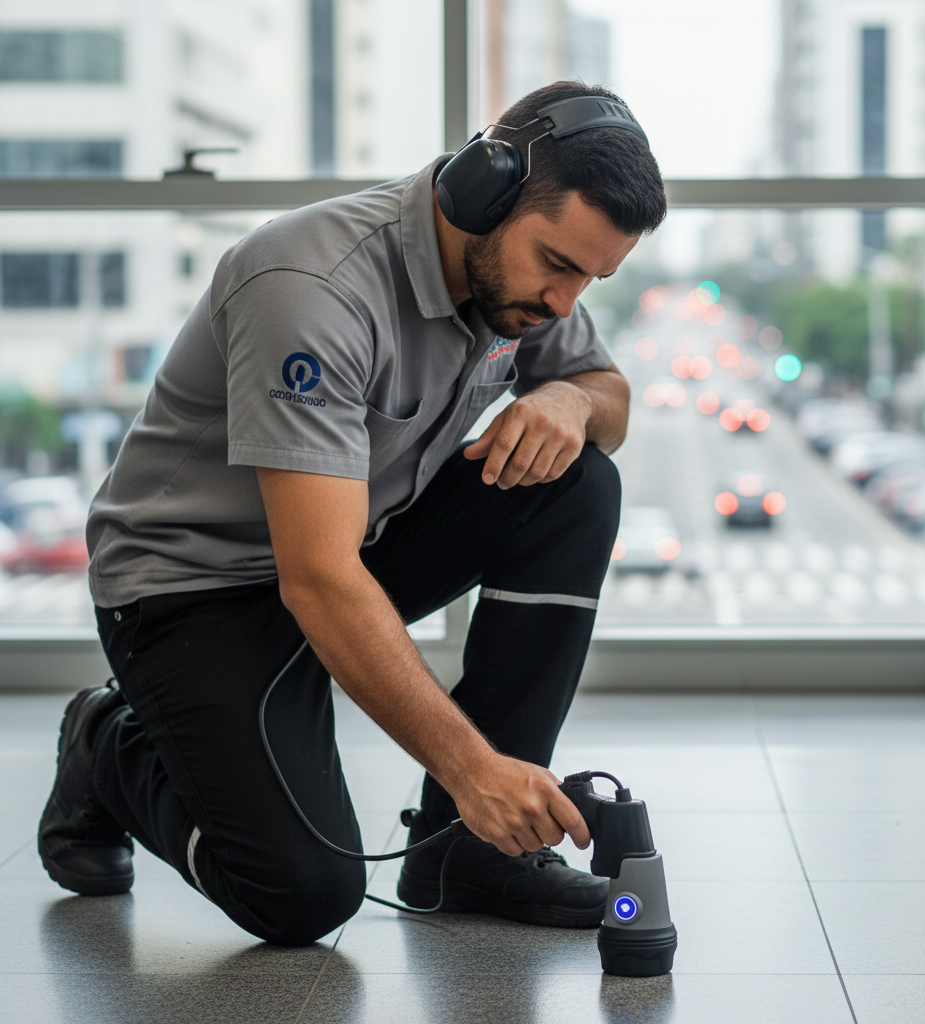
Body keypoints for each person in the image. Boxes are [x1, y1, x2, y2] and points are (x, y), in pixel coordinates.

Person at [38, 80, 667, 945]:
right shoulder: (310, 286)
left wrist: (572, 400)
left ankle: (468, 853)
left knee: (576, 481)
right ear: (483, 193)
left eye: (591, 278)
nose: (565, 301)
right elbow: (318, 579)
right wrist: (472, 766)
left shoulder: (519, 287)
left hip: (347, 546)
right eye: (558, 264)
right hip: (192, 593)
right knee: (301, 896)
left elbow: (609, 401)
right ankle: (104, 741)